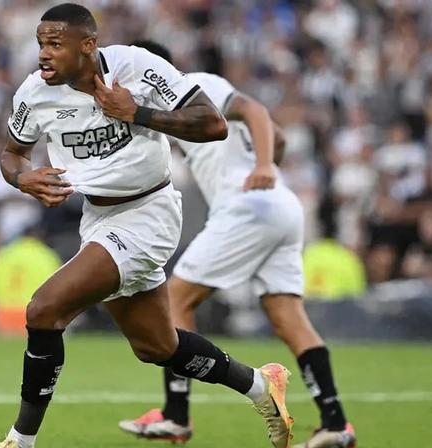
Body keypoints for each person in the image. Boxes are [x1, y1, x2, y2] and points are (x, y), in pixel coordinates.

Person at [0, 4, 293, 448]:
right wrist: (23, 178)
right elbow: (11, 153)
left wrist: (138, 113)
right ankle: (259, 385)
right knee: (157, 347)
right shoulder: (34, 94)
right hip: (97, 218)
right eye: (41, 43)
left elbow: (213, 125)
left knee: (43, 309)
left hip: (148, 213)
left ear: (88, 45)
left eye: (55, 43)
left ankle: (20, 441)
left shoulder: (138, 66)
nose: (43, 54)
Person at [117, 41, 356, 448]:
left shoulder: (194, 85)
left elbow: (257, 112)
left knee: (175, 302)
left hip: (247, 207)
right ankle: (335, 423)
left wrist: (262, 166)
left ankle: (176, 416)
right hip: (279, 205)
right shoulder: (167, 113)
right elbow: (276, 137)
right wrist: (264, 163)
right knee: (287, 318)